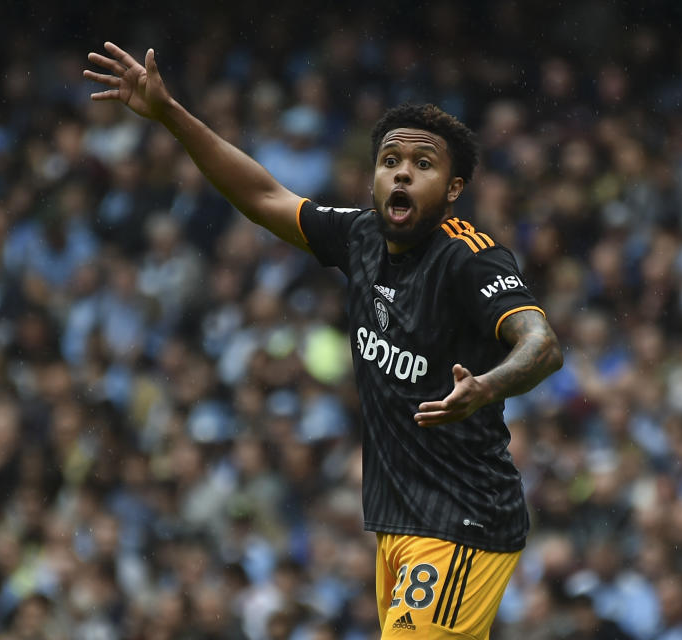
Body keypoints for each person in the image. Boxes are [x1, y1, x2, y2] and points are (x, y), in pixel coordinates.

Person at [85, 41, 563, 639]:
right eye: (391, 159)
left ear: (454, 189)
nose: (403, 172)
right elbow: (262, 197)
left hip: (462, 520)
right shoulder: (361, 238)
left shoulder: (471, 259)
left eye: (423, 163)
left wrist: (485, 388)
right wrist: (170, 114)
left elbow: (542, 343)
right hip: (400, 522)